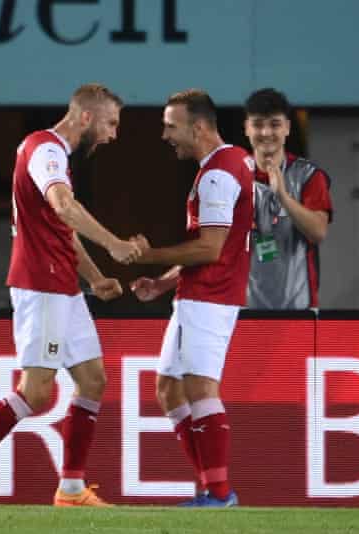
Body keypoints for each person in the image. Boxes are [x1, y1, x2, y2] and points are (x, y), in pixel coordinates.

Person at [0, 83, 141, 507]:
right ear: (86, 117)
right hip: (41, 284)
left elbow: (62, 227)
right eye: (111, 123)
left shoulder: (54, 155)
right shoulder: (46, 150)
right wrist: (114, 244)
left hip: (62, 283)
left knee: (92, 380)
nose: (114, 134)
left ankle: (71, 488)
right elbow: (64, 207)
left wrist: (96, 277)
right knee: (36, 391)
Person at [129, 89, 254, 507]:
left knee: (200, 387)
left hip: (210, 296)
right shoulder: (231, 162)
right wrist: (163, 281)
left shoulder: (218, 174)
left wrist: (149, 254)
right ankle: (211, 488)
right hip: (198, 294)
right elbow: (211, 247)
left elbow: (210, 248)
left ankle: (219, 493)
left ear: (198, 127)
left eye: (171, 126)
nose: (166, 135)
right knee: (168, 388)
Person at [244, 88, 333, 309]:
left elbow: (318, 232)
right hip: (244, 312)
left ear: (287, 128)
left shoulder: (309, 176)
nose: (266, 132)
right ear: (246, 128)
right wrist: (166, 280)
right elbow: (213, 246)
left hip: (298, 309)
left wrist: (283, 197)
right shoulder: (231, 177)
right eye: (257, 124)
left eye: (274, 124)